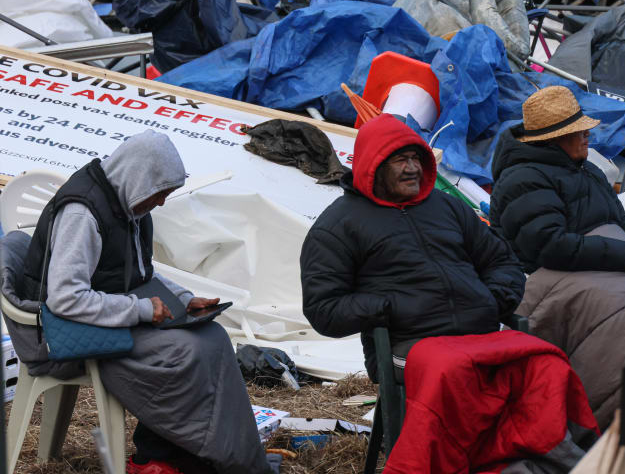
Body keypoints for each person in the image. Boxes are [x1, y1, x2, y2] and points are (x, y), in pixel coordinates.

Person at [22, 131, 271, 474]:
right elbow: (65, 298)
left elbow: (141, 274)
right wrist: (140, 309)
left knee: (213, 337)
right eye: (160, 193)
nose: (162, 202)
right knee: (185, 352)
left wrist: (184, 300)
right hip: (62, 334)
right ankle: (156, 458)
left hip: (97, 317)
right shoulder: (83, 214)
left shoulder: (126, 201)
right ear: (138, 178)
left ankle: (208, 456)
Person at [300, 113, 525, 381]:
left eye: (416, 158)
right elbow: (323, 309)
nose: (412, 168)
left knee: (547, 364)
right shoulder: (338, 225)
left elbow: (501, 261)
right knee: (458, 373)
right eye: (400, 160)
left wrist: (489, 299)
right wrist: (390, 306)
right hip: (409, 345)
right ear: (374, 165)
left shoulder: (447, 206)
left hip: (480, 335)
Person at [489, 85, 625, 274]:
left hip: (597, 266)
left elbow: (620, 221)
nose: (587, 133)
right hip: (547, 277)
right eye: (578, 130)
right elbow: (552, 248)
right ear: (554, 139)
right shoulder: (522, 181)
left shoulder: (586, 169)